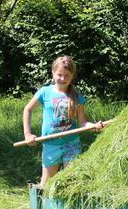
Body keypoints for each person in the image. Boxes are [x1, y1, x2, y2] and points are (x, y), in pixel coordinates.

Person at [22, 55, 104, 187]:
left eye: (67, 75)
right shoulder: (45, 92)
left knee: (71, 182)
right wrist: (27, 134)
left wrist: (93, 126)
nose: (63, 78)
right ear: (53, 73)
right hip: (50, 144)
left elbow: (83, 123)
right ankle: (42, 207)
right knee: (46, 183)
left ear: (72, 76)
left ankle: (67, 208)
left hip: (71, 144)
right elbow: (28, 110)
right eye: (59, 74)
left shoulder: (76, 96)